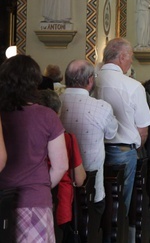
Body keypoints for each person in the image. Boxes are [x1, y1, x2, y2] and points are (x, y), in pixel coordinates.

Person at [0, 55, 68, 243]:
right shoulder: (47, 115)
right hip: (34, 200)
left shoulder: (2, 113)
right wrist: (41, 185)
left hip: (2, 196)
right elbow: (61, 165)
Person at [93, 37, 150, 234]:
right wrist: (138, 146)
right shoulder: (133, 86)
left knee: (95, 201)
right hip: (123, 151)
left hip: (92, 148)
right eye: (131, 57)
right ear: (122, 57)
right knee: (120, 204)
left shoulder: (91, 80)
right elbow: (143, 129)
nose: (131, 62)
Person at [59, 60, 118, 222]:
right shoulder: (101, 107)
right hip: (90, 186)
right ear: (90, 80)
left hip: (57, 184)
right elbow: (111, 134)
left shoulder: (55, 103)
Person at [38, 89, 86, 243]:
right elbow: (79, 179)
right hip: (61, 201)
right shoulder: (67, 139)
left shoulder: (28, 137)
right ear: (58, 113)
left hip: (33, 197)